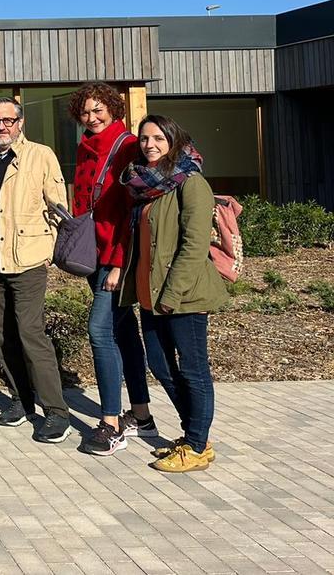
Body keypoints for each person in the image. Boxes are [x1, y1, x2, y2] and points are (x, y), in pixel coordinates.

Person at [119, 115, 226, 473]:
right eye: (144, 138)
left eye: (157, 138)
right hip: (152, 295)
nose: (149, 144)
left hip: (183, 296)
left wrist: (172, 293)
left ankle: (196, 445)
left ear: (173, 140)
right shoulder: (144, 186)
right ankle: (196, 435)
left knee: (193, 370)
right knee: (161, 366)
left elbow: (195, 244)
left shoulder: (190, 183)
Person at [0, 97, 72, 443]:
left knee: (30, 332)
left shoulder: (40, 156)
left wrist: (50, 251)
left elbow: (59, 207)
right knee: (2, 334)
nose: (2, 127)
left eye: (8, 120)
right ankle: (20, 399)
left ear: (21, 123)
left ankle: (56, 412)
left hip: (27, 259)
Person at [67, 83, 157, 457]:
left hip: (116, 256)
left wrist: (120, 263)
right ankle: (141, 415)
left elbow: (128, 212)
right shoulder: (85, 147)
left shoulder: (128, 147)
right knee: (124, 333)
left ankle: (110, 422)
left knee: (99, 331)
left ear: (114, 109)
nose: (92, 117)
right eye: (86, 112)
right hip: (94, 252)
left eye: (99, 109)